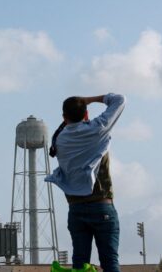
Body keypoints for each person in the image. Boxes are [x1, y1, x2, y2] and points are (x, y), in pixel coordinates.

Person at [45, 93, 126, 272]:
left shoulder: (59, 139)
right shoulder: (97, 128)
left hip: (76, 208)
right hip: (102, 205)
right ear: (86, 114)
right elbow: (119, 99)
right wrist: (90, 100)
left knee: (80, 265)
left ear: (64, 117)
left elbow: (64, 129)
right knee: (110, 261)